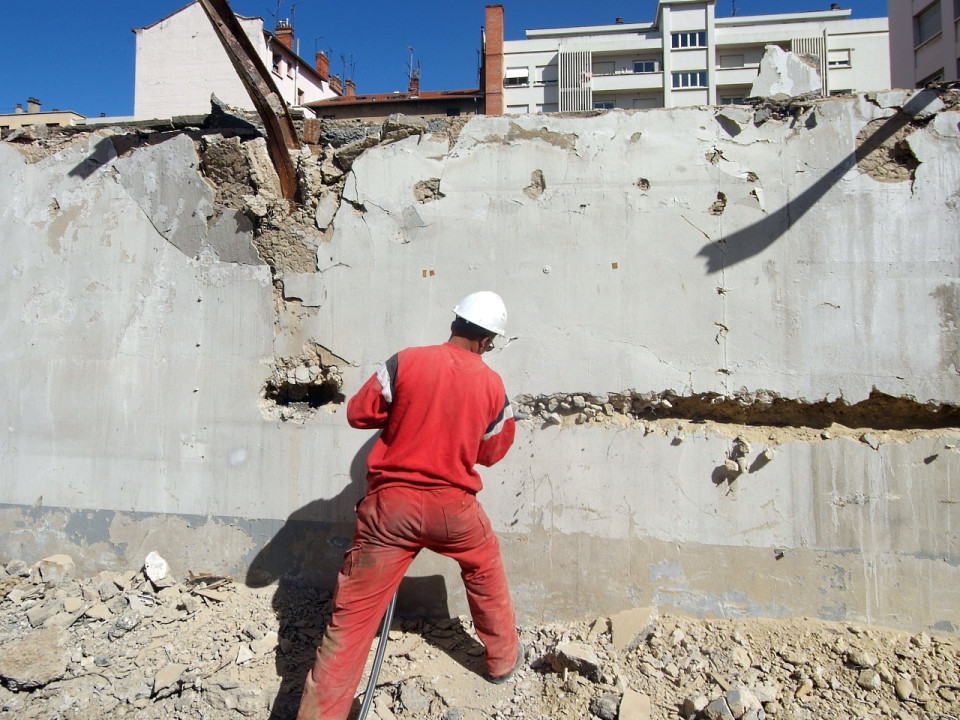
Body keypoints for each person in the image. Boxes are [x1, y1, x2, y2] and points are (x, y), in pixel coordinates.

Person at [297, 291, 521, 720]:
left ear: (454, 322)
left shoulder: (406, 361)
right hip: (453, 509)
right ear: (488, 341)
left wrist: (408, 412)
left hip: (389, 512)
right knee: (485, 566)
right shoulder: (493, 385)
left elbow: (360, 413)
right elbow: (491, 452)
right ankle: (502, 661)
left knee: (352, 620)